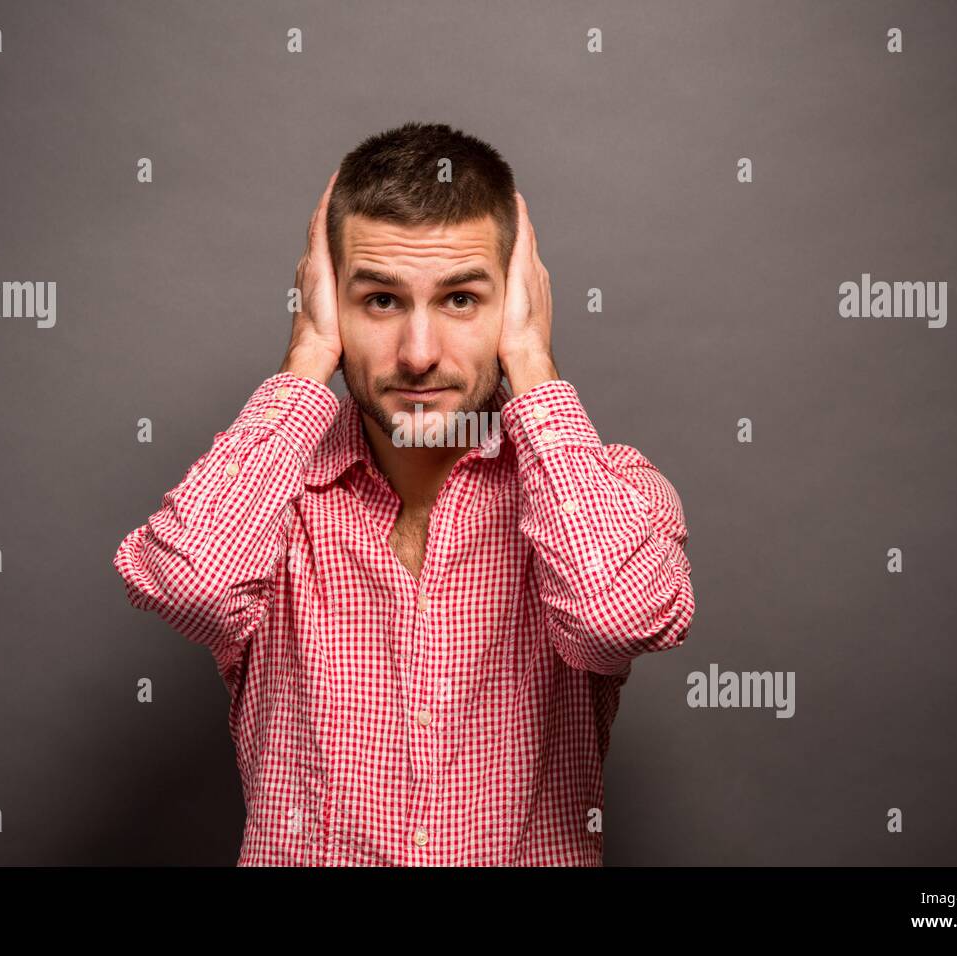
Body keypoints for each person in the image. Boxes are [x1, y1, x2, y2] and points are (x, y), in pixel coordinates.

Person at [112, 121, 696, 866]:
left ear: (517, 302)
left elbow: (610, 621)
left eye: (461, 299)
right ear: (330, 305)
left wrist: (532, 359)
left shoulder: (607, 491)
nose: (419, 355)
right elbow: (190, 586)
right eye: (381, 301)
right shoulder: (266, 500)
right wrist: (305, 359)